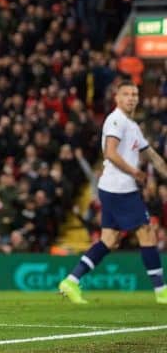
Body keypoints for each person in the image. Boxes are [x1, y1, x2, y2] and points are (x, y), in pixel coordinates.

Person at [59, 82, 167, 304]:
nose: (131, 98)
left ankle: (71, 281)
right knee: (146, 232)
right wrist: (135, 172)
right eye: (126, 94)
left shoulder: (132, 126)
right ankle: (161, 292)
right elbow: (110, 153)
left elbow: (153, 156)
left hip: (114, 188)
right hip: (120, 187)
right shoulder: (116, 120)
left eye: (135, 94)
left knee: (109, 240)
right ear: (117, 98)